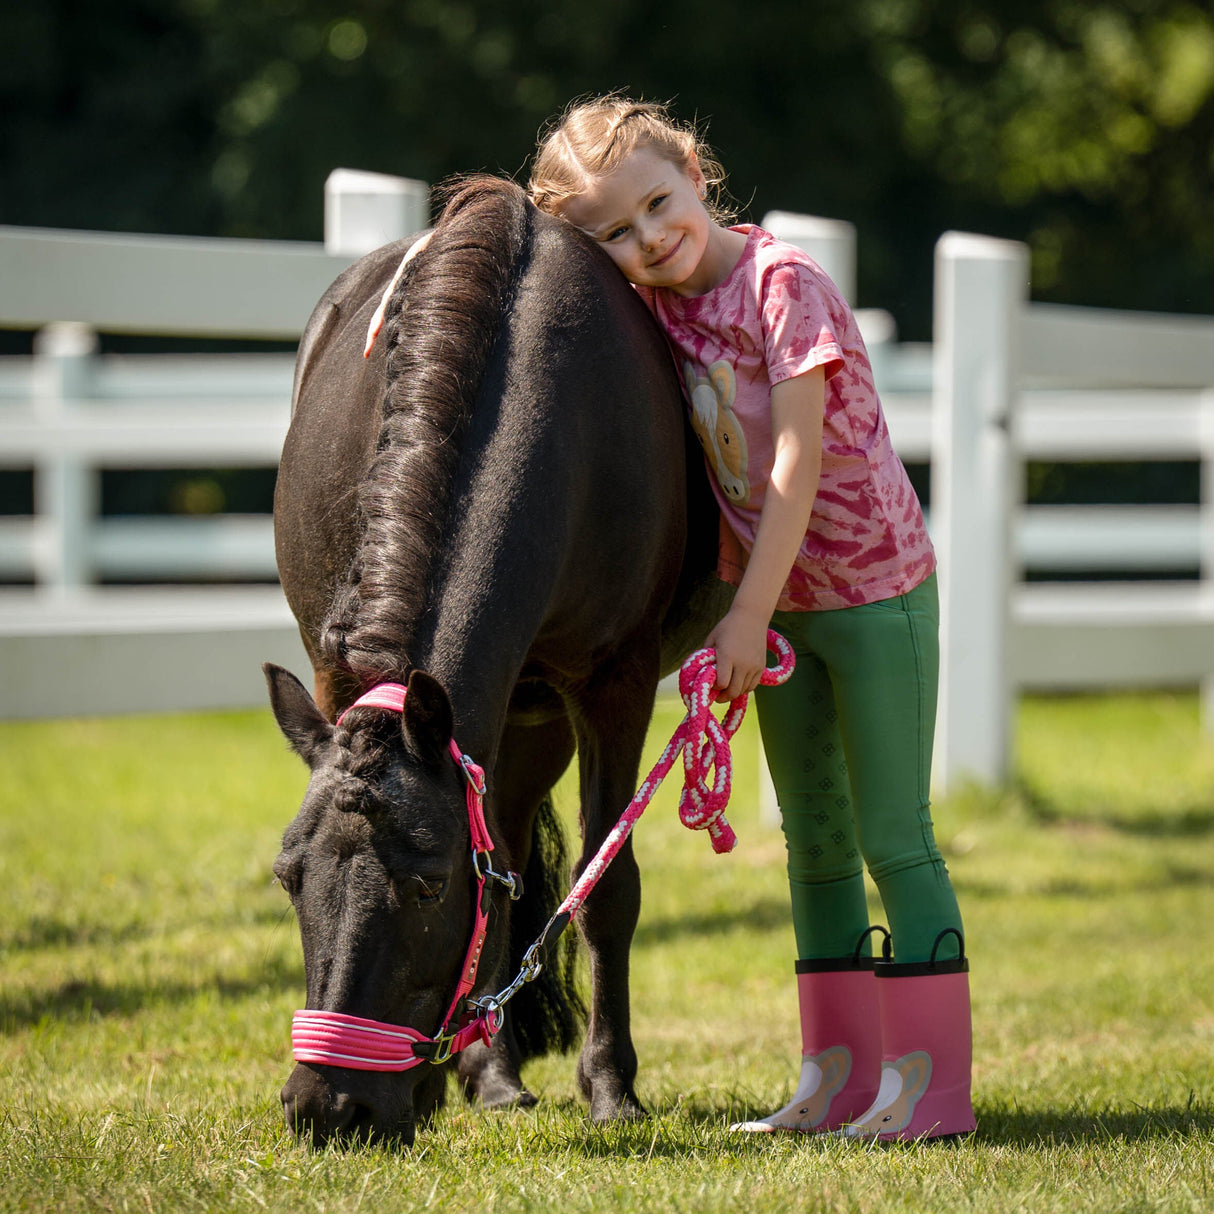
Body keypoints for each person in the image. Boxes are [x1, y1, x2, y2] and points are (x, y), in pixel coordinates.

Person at [528, 96, 975, 1141]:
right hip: (784, 614)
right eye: (616, 233)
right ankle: (832, 1076)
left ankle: (930, 1087)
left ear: (692, 170)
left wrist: (739, 617)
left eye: (657, 204)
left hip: (870, 597)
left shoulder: (783, 287)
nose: (648, 238)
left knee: (892, 839)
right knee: (813, 845)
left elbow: (794, 461)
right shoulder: (662, 305)